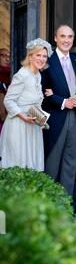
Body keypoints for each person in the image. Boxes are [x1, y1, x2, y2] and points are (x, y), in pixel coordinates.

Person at [41, 25, 76, 197]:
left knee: (70, 163)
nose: (66, 40)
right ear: (55, 38)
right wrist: (63, 101)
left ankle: (66, 207)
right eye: (63, 36)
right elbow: (41, 92)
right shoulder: (46, 61)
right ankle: (48, 207)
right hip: (56, 119)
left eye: (70, 37)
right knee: (52, 164)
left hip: (75, 118)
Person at [0, 39, 52, 170]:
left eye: (44, 56)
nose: (41, 59)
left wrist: (41, 120)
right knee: (19, 166)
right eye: (38, 55)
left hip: (32, 126)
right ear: (30, 56)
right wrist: (23, 116)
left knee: (32, 166)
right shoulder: (22, 75)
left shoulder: (38, 75)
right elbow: (8, 100)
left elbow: (35, 103)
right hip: (19, 126)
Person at [0, 48, 11, 134]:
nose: (7, 59)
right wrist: (3, 115)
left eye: (9, 56)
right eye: (3, 55)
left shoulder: (13, 74)